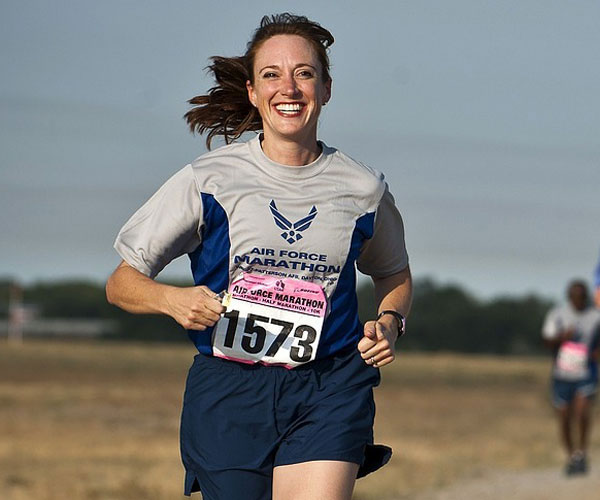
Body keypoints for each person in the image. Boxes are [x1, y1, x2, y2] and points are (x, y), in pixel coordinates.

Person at [106, 13, 412, 500]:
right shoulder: (208, 179)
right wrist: (173, 300)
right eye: (272, 74)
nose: (288, 88)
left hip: (329, 384)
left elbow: (393, 272)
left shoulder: (363, 188)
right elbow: (122, 283)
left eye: (304, 73)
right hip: (230, 390)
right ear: (252, 91)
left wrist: (390, 321)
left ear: (326, 89)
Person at [542, 280, 600, 476]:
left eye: (582, 296)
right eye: (575, 297)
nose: (578, 300)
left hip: (586, 372)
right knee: (564, 416)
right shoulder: (557, 315)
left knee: (582, 412)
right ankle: (571, 456)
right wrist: (562, 338)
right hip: (562, 373)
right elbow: (546, 340)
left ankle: (582, 452)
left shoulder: (595, 316)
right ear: (569, 297)